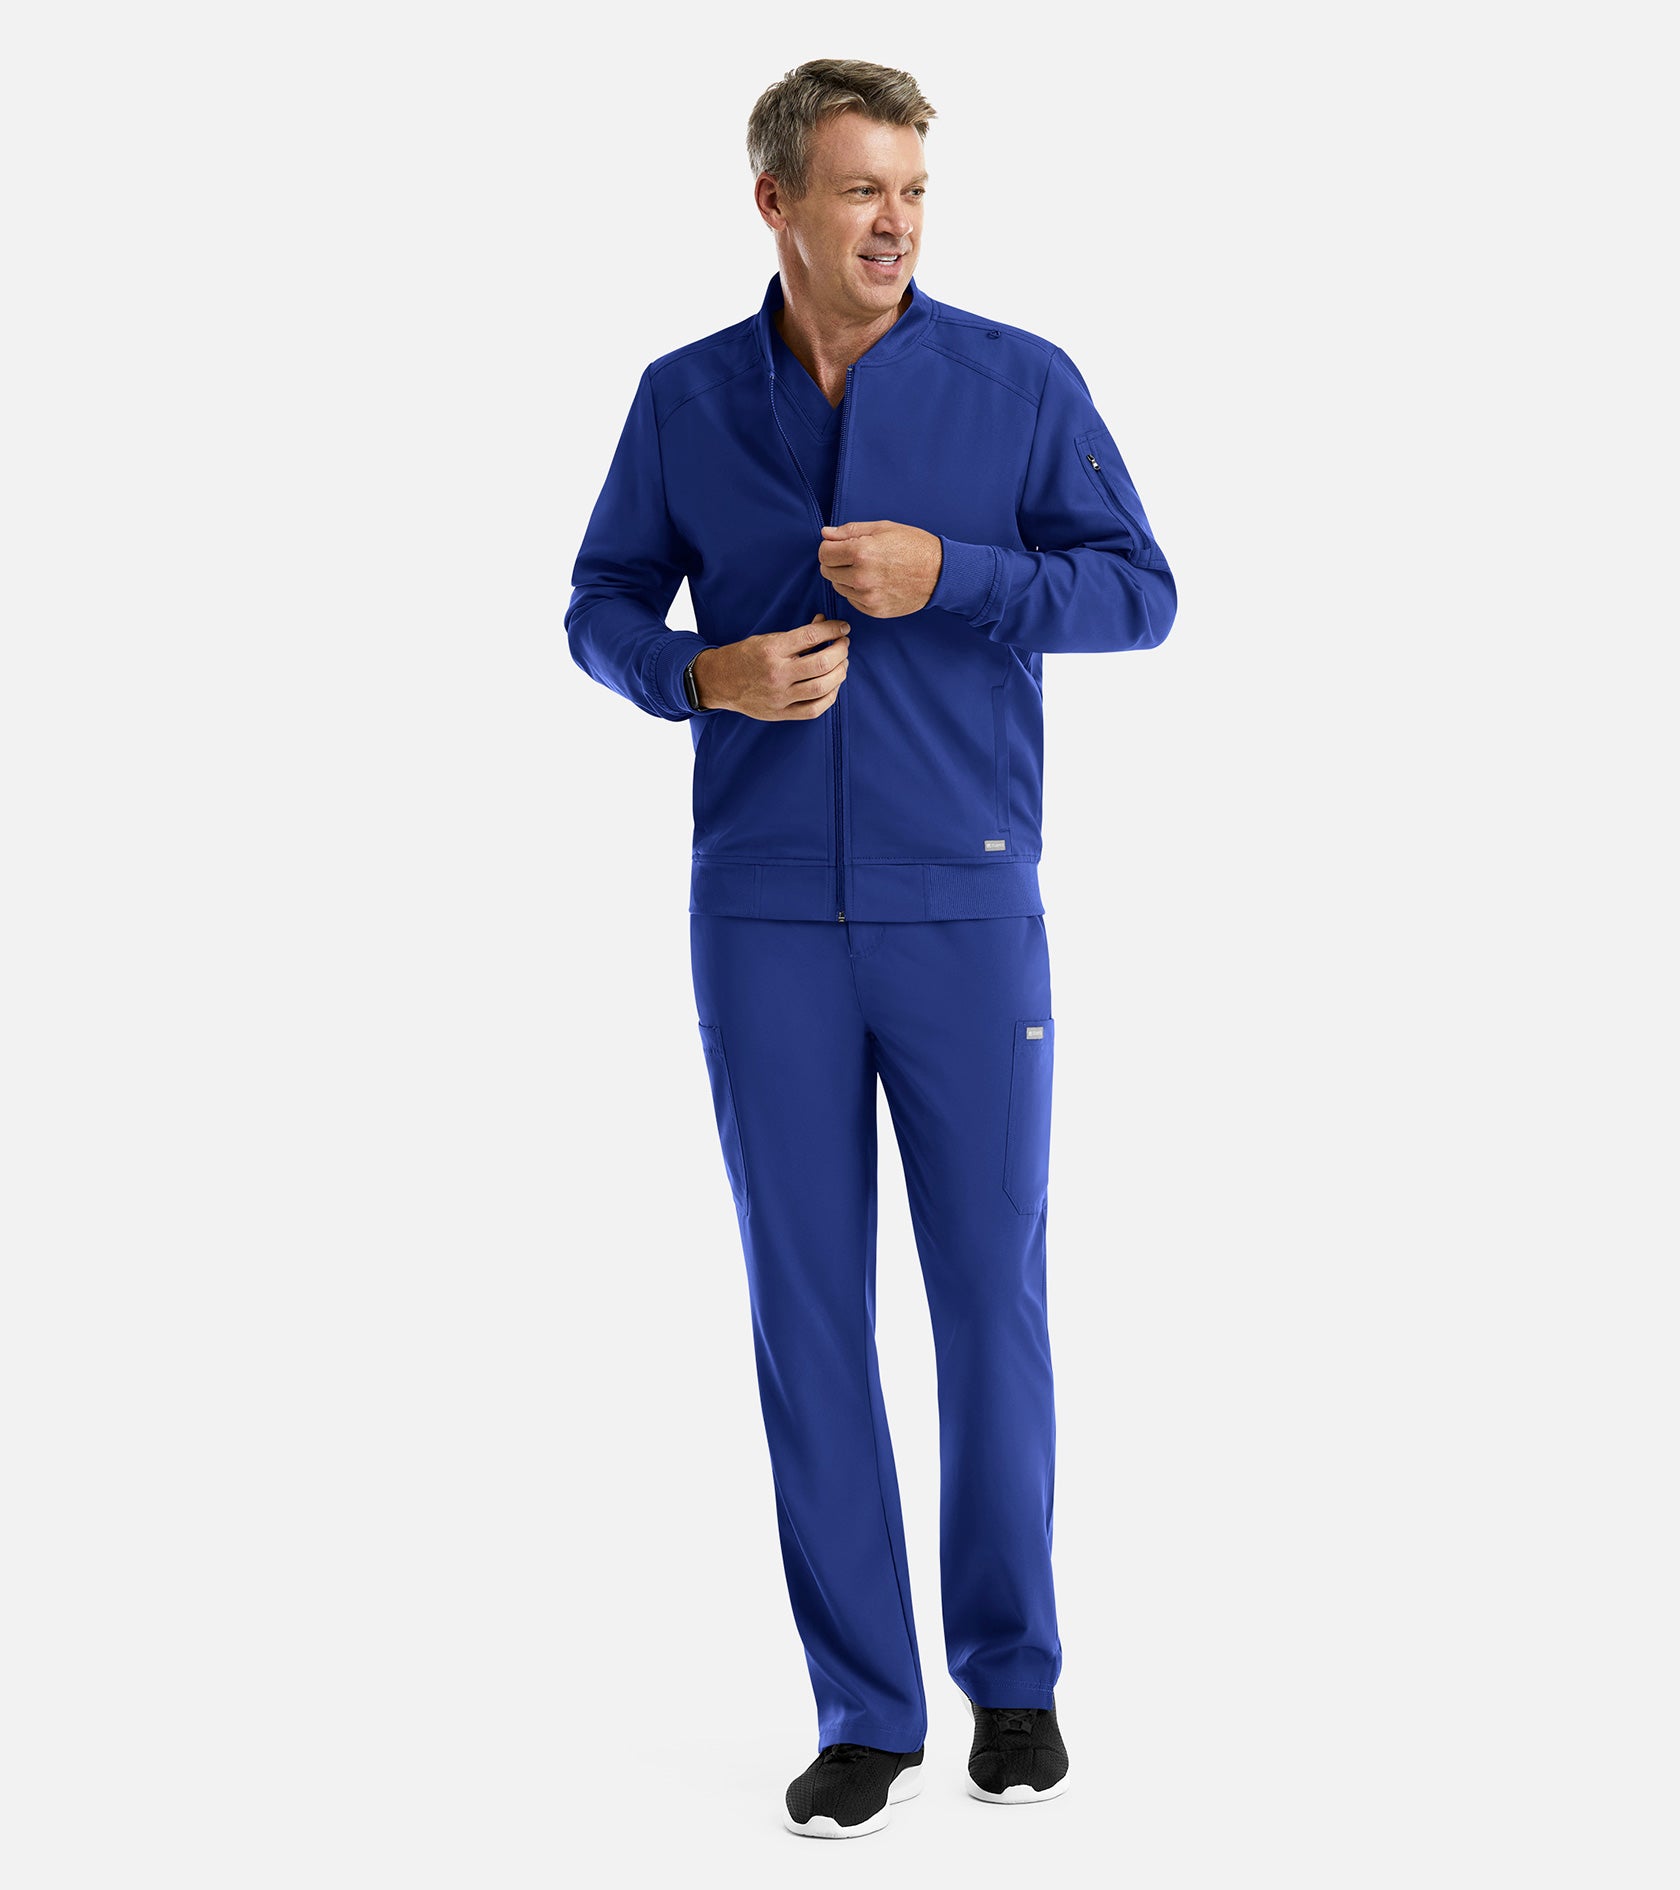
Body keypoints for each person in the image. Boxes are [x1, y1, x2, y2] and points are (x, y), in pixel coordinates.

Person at [563, 57, 1177, 1838]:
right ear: (777, 202)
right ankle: (863, 1708)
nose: (894, 221)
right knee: (807, 1308)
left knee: (989, 1296)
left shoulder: (1018, 383)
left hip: (966, 903)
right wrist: (700, 673)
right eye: (859, 189)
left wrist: (957, 574)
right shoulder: (685, 398)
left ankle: (1016, 1681)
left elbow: (1141, 592)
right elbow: (598, 600)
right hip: (762, 913)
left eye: (912, 188)